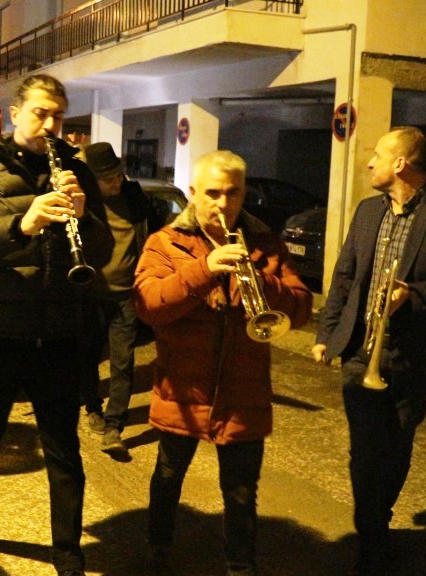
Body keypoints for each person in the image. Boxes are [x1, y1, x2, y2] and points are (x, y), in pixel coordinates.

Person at [0, 74, 114, 576]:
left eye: (58, 115)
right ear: (15, 113)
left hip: (58, 328)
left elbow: (103, 250)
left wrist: (84, 216)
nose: (50, 124)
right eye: (40, 113)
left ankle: (68, 549)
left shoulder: (74, 170)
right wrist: (22, 224)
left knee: (63, 446)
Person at [311, 126, 426, 575]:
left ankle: (377, 519)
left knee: (395, 448)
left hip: (412, 355)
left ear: (401, 163)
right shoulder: (368, 211)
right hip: (360, 349)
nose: (370, 162)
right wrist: (326, 333)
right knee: (364, 451)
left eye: (377, 154)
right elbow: (346, 275)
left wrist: (415, 294)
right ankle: (371, 537)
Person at [133, 150, 312, 576]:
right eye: (212, 193)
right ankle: (159, 545)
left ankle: (240, 564)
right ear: (194, 193)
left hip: (243, 388)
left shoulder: (265, 243)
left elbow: (302, 307)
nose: (223, 203)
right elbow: (149, 305)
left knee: (241, 490)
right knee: (168, 476)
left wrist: (262, 281)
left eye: (233, 193)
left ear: (243, 193)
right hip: (183, 386)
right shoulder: (166, 242)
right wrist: (204, 269)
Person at [77, 141, 165, 455]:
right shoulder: (83, 204)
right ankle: (92, 407)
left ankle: (114, 426)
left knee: (123, 362)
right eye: (107, 178)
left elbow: (155, 236)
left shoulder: (134, 198)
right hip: (91, 296)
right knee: (88, 358)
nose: (116, 182)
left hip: (127, 295)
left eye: (118, 175)